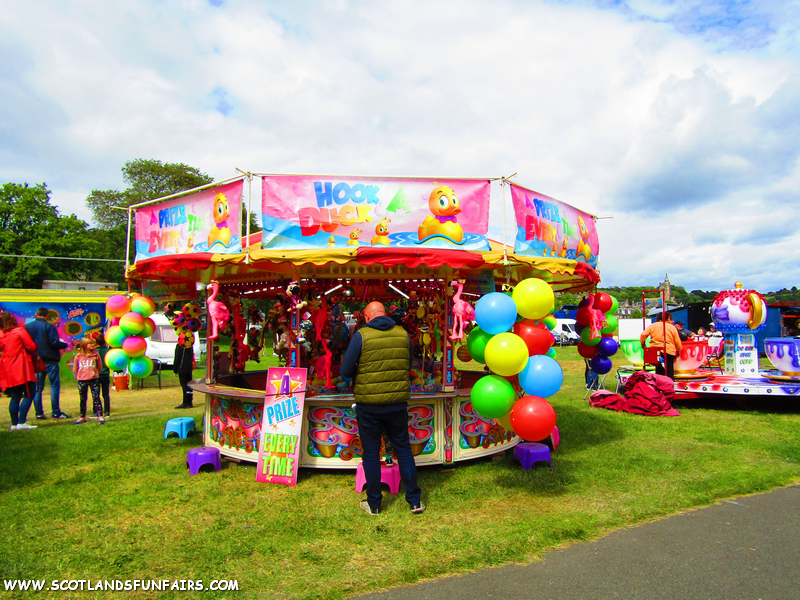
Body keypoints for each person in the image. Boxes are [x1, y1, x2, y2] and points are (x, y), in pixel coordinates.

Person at [341, 301, 424, 516]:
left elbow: (346, 370)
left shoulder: (361, 335)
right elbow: (408, 364)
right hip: (397, 402)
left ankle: (375, 504)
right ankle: (415, 501)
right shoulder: (403, 334)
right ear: (384, 315)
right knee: (403, 450)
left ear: (367, 317)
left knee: (371, 452)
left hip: (369, 404)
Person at [25, 307, 70, 419]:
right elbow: (54, 342)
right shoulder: (49, 326)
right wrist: (64, 345)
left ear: (36, 314)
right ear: (47, 315)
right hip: (50, 359)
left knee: (37, 388)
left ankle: (39, 413)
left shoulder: (27, 327)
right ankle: (56, 412)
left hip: (36, 360)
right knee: (54, 385)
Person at [0, 312, 38, 430]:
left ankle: (14, 424)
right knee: (29, 393)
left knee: (15, 396)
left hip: (7, 366)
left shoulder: (1, 334)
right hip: (21, 365)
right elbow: (31, 346)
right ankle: (22, 422)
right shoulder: (19, 331)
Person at [640, 312, 683, 380]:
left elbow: (644, 334)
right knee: (669, 369)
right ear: (668, 318)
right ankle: (669, 384)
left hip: (655, 350)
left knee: (658, 368)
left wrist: (643, 344)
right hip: (669, 350)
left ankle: (659, 383)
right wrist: (679, 349)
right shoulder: (672, 327)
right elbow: (677, 341)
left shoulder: (653, 326)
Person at [72, 336, 104, 425]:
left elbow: (99, 366)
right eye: (90, 343)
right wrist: (78, 376)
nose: (92, 345)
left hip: (94, 379)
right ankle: (82, 417)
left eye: (92, 343)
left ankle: (100, 416)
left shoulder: (96, 354)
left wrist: (95, 373)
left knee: (96, 397)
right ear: (84, 345)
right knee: (82, 398)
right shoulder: (78, 356)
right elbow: (75, 368)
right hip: (82, 380)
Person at [173, 335, 195, 409]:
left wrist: (175, 369)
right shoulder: (190, 345)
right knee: (189, 386)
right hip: (188, 368)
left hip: (182, 368)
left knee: (185, 386)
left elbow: (177, 358)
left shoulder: (180, 346)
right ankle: (189, 401)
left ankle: (186, 402)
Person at [94, 332, 112, 417]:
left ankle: (96, 411)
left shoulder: (94, 351)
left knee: (96, 394)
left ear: (96, 341)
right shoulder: (108, 351)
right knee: (105, 394)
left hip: (96, 375)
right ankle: (107, 411)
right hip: (106, 374)